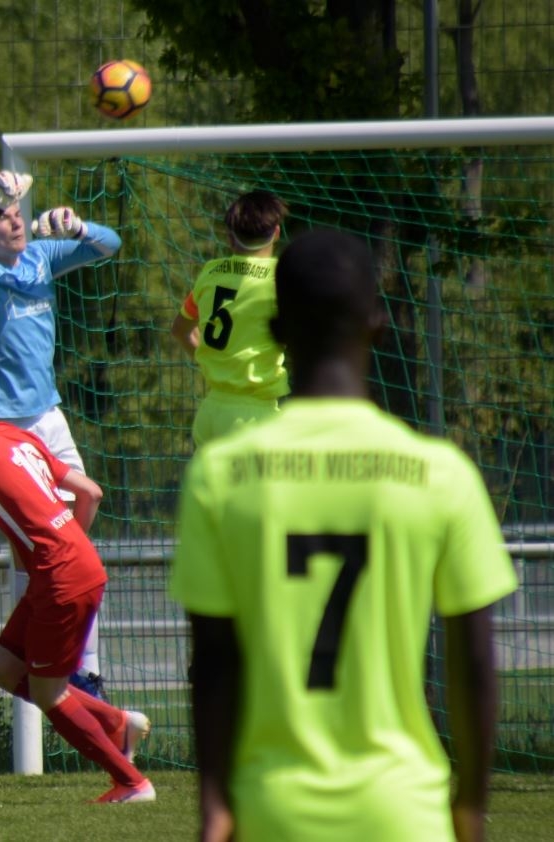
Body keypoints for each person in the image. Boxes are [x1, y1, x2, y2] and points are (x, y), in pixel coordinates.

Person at [168, 229, 516, 842]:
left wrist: (215, 804)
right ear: (377, 327)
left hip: (272, 811)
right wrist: (470, 804)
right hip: (404, 812)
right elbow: (475, 661)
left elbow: (216, 661)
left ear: (278, 332)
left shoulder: (219, 477)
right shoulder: (441, 474)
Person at [0, 362, 154, 804]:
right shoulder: (20, 437)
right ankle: (117, 723)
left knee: (48, 693)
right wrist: (71, 543)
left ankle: (132, 782)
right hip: (69, 567)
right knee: (4, 669)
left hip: (60, 577)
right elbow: (91, 492)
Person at [0, 170, 123, 697]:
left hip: (49, 418)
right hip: (5, 427)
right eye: (5, 218)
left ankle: (86, 673)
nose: (17, 223)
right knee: (38, 556)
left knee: (76, 550)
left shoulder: (41, 257)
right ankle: (54, 665)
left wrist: (78, 226)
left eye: (18, 214)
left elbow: (110, 245)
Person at [169, 190, 290, 447]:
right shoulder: (282, 279)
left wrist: (218, 365)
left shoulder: (210, 273)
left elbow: (180, 329)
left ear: (230, 238)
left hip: (211, 411)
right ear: (277, 233)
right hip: (253, 418)